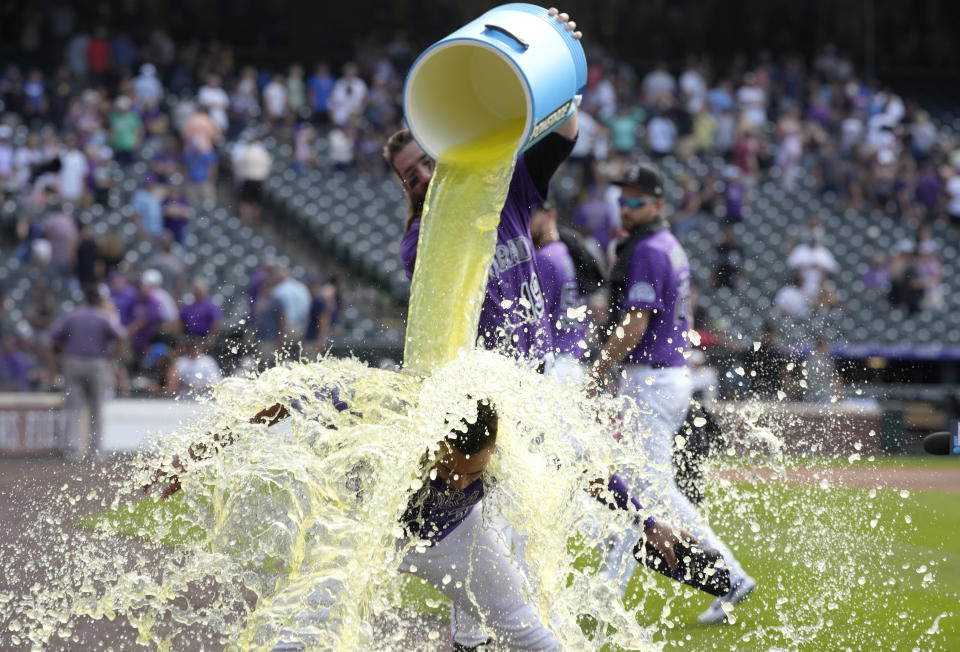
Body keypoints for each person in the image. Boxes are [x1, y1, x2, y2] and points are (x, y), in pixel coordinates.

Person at [589, 162, 755, 624]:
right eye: (623, 197)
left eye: (637, 199)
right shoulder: (668, 245)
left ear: (658, 205)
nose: (626, 204)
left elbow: (635, 323)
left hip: (653, 376)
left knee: (653, 490)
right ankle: (606, 592)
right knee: (633, 488)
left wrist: (598, 370)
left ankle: (732, 575)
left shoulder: (648, 250)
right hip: (665, 374)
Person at [386, 9, 582, 367]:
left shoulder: (505, 191)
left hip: (539, 363)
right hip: (484, 382)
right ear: (405, 187)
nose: (424, 177)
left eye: (427, 162)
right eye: (411, 175)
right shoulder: (418, 240)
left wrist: (557, 56)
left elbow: (562, 138)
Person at [47, 285, 126, 460]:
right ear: (98, 301)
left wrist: (64, 349)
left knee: (73, 407)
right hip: (96, 362)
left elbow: (54, 334)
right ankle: (95, 451)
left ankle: (71, 450)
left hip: (73, 361)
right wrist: (112, 354)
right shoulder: (102, 317)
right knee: (96, 408)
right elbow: (121, 336)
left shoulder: (73, 315)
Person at [529, 200, 589, 384]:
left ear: (550, 215)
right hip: (572, 365)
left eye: (530, 214)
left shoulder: (544, 259)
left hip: (553, 367)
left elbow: (533, 319)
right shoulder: (566, 251)